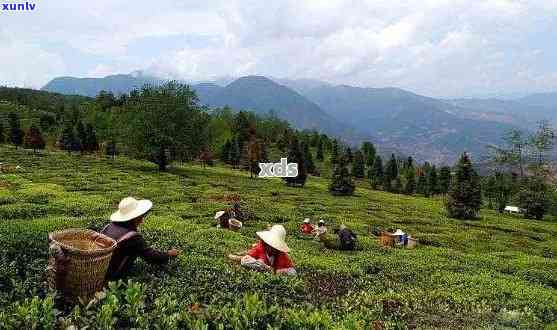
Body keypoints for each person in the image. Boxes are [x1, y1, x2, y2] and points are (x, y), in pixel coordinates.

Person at [101, 197, 180, 280]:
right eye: (140, 216)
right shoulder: (132, 237)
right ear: (134, 217)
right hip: (113, 276)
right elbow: (151, 257)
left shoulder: (109, 226)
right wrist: (169, 254)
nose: (142, 219)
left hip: (101, 269)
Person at [228, 225, 296, 275]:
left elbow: (292, 271)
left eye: (276, 246)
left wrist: (279, 271)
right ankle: (242, 253)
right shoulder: (261, 247)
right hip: (260, 262)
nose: (273, 248)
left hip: (271, 268)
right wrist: (264, 266)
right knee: (248, 260)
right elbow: (246, 258)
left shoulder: (281, 254)